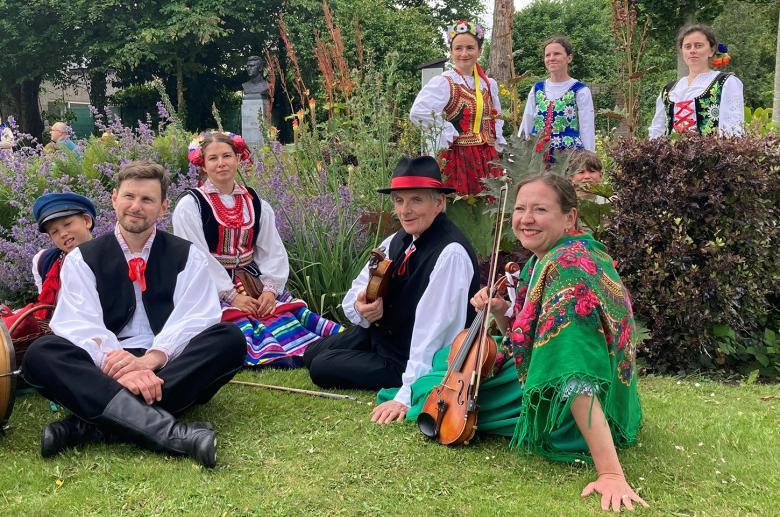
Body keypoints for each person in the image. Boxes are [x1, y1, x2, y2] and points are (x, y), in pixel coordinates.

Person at [378, 174, 646, 512]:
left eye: (540, 209)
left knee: (430, 391)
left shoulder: (567, 272)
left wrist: (610, 473)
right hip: (576, 385)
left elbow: (575, 372)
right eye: (520, 208)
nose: (526, 218)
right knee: (450, 359)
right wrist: (502, 311)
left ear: (570, 217)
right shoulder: (564, 251)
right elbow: (526, 336)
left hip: (565, 410)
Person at [22, 160, 246, 468]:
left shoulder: (187, 254)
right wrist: (122, 366)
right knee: (41, 353)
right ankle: (172, 432)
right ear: (114, 198)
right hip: (105, 364)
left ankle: (90, 425)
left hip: (166, 364)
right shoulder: (82, 259)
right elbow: (79, 323)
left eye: (147, 199)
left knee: (229, 339)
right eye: (129, 196)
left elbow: (195, 317)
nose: (135, 206)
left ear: (163, 206)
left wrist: (150, 360)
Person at [303, 156, 480, 422]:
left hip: (407, 356)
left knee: (321, 367)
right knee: (311, 353)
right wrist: (361, 308)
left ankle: (394, 374)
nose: (405, 210)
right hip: (383, 337)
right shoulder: (399, 239)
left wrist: (407, 393)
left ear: (439, 203)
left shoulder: (450, 253)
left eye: (416, 200)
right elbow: (359, 287)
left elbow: (434, 330)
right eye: (399, 201)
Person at [172, 132, 342, 367]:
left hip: (253, 283)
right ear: (202, 165)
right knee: (234, 327)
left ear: (238, 159)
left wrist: (270, 290)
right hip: (210, 287)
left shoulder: (255, 202)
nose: (221, 163)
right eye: (212, 158)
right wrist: (231, 295)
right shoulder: (190, 205)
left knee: (280, 316)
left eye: (227, 156)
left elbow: (271, 249)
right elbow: (196, 257)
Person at [410, 20, 506, 195]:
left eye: (470, 48)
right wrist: (448, 132)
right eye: (458, 48)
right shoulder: (445, 82)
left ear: (479, 51)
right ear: (451, 52)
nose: (464, 53)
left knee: (488, 210)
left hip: (487, 157)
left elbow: (496, 116)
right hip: (458, 157)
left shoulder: (488, 84)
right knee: (460, 207)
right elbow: (419, 112)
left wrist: (496, 141)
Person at [1, 193, 96, 356]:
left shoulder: (109, 257)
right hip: (56, 332)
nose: (63, 233)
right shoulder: (45, 260)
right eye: (54, 232)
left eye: (67, 224)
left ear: (87, 221)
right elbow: (46, 307)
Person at [649, 24, 744, 138]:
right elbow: (657, 131)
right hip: (670, 155)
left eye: (698, 46)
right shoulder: (668, 90)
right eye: (687, 46)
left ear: (711, 50)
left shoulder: (725, 82)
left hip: (710, 154)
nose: (692, 50)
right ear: (682, 52)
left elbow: (732, 130)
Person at [517, 36, 595, 162]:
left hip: (568, 157)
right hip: (538, 157)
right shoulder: (537, 89)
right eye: (547, 55)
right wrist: (518, 155)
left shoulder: (580, 90)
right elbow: (527, 121)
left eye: (557, 54)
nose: (551, 58)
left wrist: (589, 161)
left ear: (569, 58)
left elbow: (587, 129)